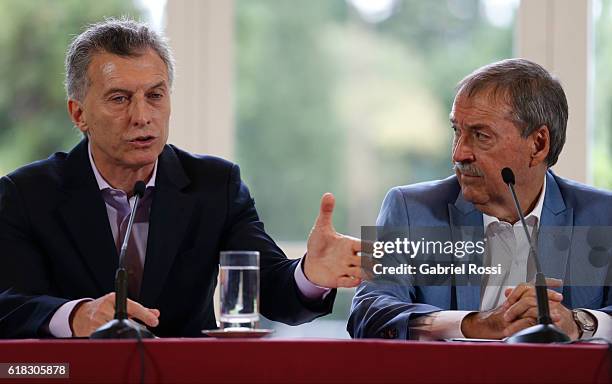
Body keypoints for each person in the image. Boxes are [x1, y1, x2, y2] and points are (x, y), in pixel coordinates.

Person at [0, 19, 363, 338]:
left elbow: (271, 288)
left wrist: (310, 275)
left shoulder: (215, 185)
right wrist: (77, 316)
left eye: (155, 95)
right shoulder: (26, 194)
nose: (142, 116)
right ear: (79, 113)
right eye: (120, 99)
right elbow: (9, 304)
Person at [349, 58, 611, 340]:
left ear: (538, 144)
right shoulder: (410, 210)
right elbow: (368, 313)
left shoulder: (602, 216)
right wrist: (474, 324)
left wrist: (580, 323)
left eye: (480, 135)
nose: (459, 154)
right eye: (457, 132)